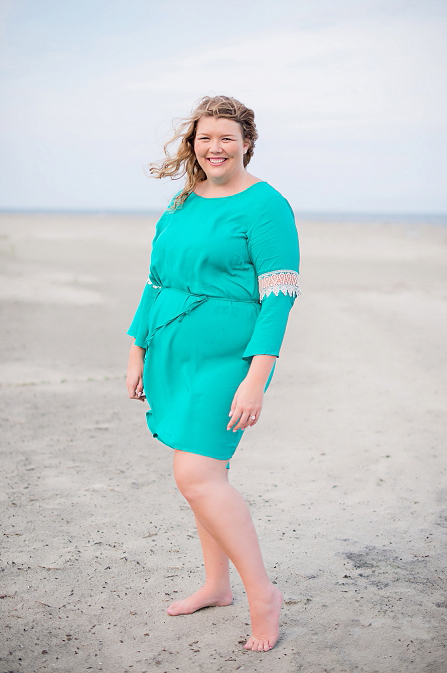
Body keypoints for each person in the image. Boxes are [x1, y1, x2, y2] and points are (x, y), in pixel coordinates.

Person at [124, 95, 300, 652]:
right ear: (192, 144)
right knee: (205, 482)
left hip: (231, 359)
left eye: (226, 137)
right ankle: (216, 585)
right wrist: (136, 350)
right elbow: (155, 282)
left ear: (247, 142)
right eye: (205, 138)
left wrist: (257, 375)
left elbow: (280, 295)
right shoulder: (180, 202)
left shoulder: (265, 204)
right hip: (172, 350)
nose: (214, 147)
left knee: (196, 476)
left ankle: (261, 594)